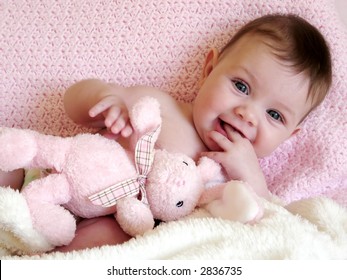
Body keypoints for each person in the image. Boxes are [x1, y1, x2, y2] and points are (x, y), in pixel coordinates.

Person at [0, 14, 332, 252]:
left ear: (290, 135)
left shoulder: (238, 177)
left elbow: (267, 220)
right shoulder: (160, 107)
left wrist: (248, 172)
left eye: (274, 115)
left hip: (118, 224)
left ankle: (43, 264)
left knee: (115, 237)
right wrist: (105, 100)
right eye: (241, 86)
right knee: (7, 157)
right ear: (210, 69)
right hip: (50, 178)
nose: (247, 113)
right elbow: (73, 101)